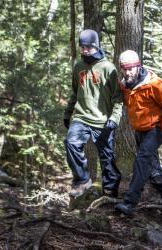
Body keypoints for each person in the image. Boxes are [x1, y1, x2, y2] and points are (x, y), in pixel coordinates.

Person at [114, 50, 162, 215]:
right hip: (139, 131)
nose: (128, 71)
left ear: (138, 66)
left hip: (155, 129)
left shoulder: (153, 84)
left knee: (141, 162)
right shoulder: (125, 85)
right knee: (152, 169)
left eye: (131, 68)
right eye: (124, 68)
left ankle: (129, 203)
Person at [64, 29, 123, 198]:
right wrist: (68, 114)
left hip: (103, 120)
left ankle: (110, 190)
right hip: (81, 117)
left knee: (107, 157)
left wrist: (115, 118)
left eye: (89, 47)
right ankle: (82, 180)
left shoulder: (108, 68)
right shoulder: (79, 67)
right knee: (71, 143)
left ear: (96, 46)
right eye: (82, 47)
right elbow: (75, 93)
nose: (85, 50)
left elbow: (118, 97)